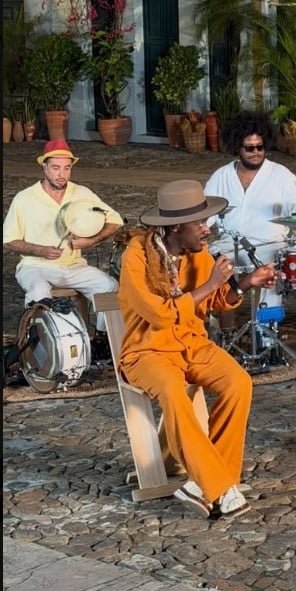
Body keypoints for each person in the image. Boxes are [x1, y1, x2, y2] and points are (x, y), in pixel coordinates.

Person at [117, 179, 277, 518]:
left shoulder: (197, 252)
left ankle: (203, 484)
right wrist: (209, 285)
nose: (208, 229)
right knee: (174, 393)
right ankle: (218, 487)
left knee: (238, 382)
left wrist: (246, 282)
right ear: (175, 226)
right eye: (200, 223)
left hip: (192, 344)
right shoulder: (136, 257)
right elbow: (159, 315)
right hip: (147, 352)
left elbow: (218, 301)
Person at [2, 139, 123, 334]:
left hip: (73, 266)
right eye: (56, 168)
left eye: (67, 168)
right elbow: (8, 241)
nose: (62, 174)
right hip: (35, 266)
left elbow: (115, 220)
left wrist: (91, 241)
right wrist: (40, 250)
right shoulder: (24, 198)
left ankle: (103, 339)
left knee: (108, 286)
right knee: (39, 292)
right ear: (44, 167)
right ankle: (43, 344)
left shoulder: (82, 193)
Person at [205, 110, 296, 311]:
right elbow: (205, 216)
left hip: (270, 244)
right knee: (205, 261)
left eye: (260, 147)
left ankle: (267, 330)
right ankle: (224, 326)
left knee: (274, 265)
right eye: (249, 148)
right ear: (237, 147)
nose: (256, 152)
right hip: (231, 244)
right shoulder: (221, 176)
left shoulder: (282, 175)